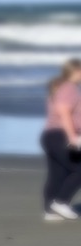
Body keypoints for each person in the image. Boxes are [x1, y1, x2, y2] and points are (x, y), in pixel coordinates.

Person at [41, 56, 81, 219]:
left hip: (51, 136)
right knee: (78, 169)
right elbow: (63, 111)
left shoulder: (59, 87)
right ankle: (61, 202)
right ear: (77, 71)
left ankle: (49, 211)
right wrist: (72, 137)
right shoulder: (69, 88)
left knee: (57, 174)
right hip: (61, 136)